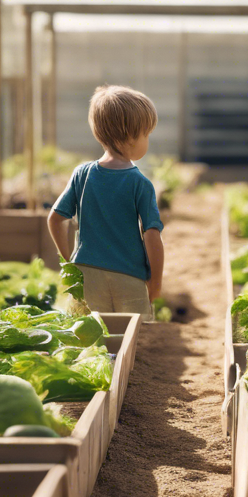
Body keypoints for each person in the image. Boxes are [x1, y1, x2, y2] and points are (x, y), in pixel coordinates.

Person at [47, 85, 164, 321]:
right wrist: (156, 282)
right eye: (146, 134)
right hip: (129, 276)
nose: (148, 141)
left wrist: (70, 260)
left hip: (86, 273)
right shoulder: (140, 183)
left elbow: (56, 218)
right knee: (131, 340)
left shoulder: (82, 174)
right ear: (130, 136)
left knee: (91, 339)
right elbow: (152, 235)